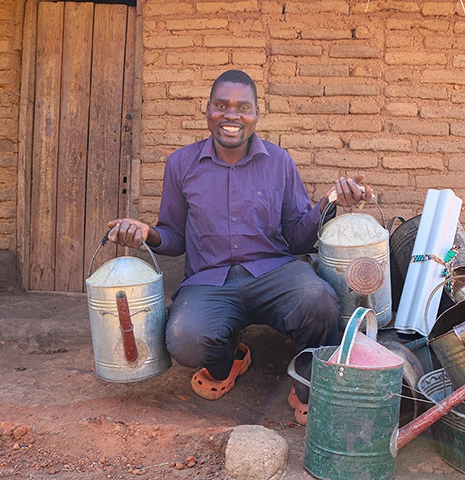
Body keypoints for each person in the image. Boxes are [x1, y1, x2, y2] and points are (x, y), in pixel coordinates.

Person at [107, 69, 372, 425]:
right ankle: (229, 357)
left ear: (256, 114)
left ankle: (308, 380)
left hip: (274, 272)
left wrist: (328, 201)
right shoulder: (181, 164)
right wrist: (147, 234)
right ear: (208, 111)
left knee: (319, 300)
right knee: (185, 339)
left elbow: (296, 238)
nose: (232, 115)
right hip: (209, 282)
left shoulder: (279, 162)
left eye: (242, 107)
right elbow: (174, 237)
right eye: (221, 105)